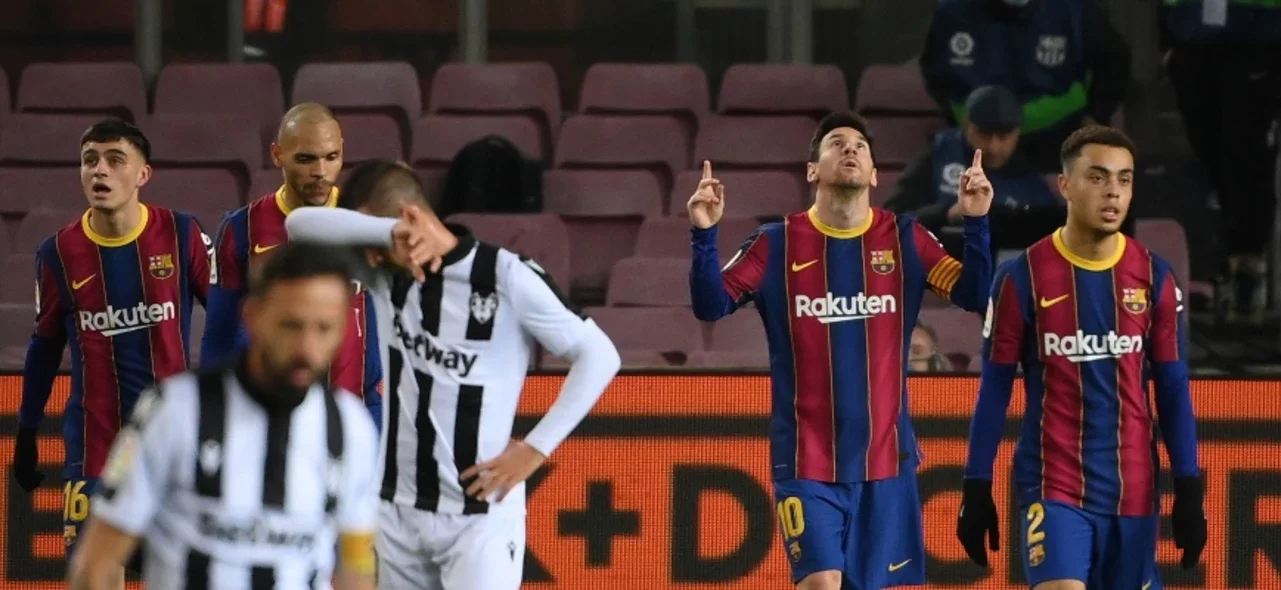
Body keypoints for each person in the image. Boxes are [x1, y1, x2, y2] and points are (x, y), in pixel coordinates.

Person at [688, 111, 994, 589]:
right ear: (813, 169)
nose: (849, 149)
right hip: (806, 462)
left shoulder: (905, 238)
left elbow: (975, 296)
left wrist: (977, 224)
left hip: (886, 464)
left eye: (860, 145)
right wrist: (705, 233)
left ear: (874, 173)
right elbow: (710, 305)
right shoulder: (776, 243)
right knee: (821, 581)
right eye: (836, 143)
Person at [284, 161, 621, 589]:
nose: (364, 252)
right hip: (394, 510)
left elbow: (599, 355)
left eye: (372, 234)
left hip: (479, 520)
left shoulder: (504, 275)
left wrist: (536, 448)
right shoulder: (384, 273)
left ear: (409, 215)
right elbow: (299, 225)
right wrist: (385, 235)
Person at [958, 125, 1207, 589]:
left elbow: (1172, 390)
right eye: (1097, 177)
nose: (1113, 190)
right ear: (1065, 185)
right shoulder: (1021, 278)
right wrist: (976, 485)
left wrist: (1189, 490)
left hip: (1134, 491)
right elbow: (993, 392)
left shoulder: (1155, 277)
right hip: (1052, 485)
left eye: (1125, 179)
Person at [66, 242, 380, 590]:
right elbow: (98, 561)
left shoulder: (351, 427)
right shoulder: (172, 410)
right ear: (252, 317)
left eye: (324, 329)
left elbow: (356, 566)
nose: (307, 349)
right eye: (291, 326)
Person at [11, 119, 213, 583]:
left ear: (143, 174)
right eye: (89, 161)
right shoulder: (57, 253)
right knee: (94, 575)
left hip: (171, 442)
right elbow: (45, 346)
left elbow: (224, 321)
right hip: (97, 447)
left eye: (114, 160)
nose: (99, 171)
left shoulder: (182, 235)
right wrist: (26, 430)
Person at [201, 102, 382, 427]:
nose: (320, 171)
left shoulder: (368, 222)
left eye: (331, 157)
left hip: (356, 415)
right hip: (265, 419)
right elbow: (219, 335)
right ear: (277, 155)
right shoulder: (241, 228)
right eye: (306, 159)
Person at [1162, 0, 1281, 324]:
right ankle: (1214, 263)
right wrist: (1168, 34)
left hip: (1256, 33)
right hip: (1193, 31)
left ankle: (1247, 263)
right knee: (1205, 152)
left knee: (1247, 152)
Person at [920, 0, 1131, 171]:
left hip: (1055, 141)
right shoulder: (952, 13)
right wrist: (962, 120)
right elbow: (935, 72)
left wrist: (1095, 115)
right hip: (977, 143)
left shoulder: (1074, 11)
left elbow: (1115, 61)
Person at [887, 85, 1059, 233]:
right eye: (984, 134)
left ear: (1018, 132)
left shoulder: (1032, 185)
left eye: (1004, 135)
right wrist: (947, 213)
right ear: (966, 127)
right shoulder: (937, 159)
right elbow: (889, 222)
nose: (994, 147)